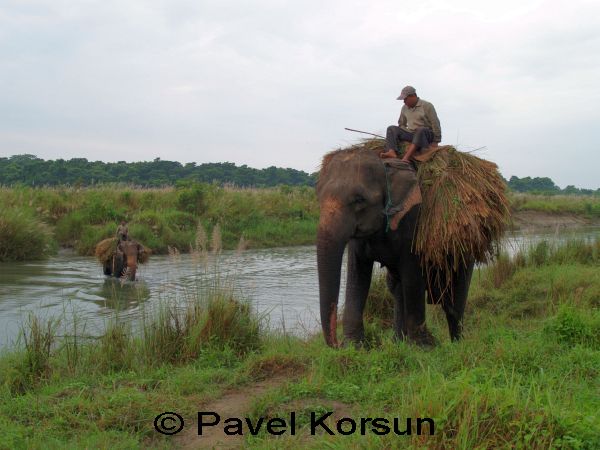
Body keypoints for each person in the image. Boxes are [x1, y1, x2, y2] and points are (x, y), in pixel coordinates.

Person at [380, 86, 442, 162]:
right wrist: (403, 132)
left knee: (420, 130)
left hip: (426, 135)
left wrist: (436, 141)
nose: (404, 101)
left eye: (405, 99)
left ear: (413, 96)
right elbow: (401, 123)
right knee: (391, 128)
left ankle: (406, 157)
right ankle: (391, 151)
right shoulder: (404, 108)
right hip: (413, 134)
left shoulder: (427, 106)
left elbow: (435, 123)